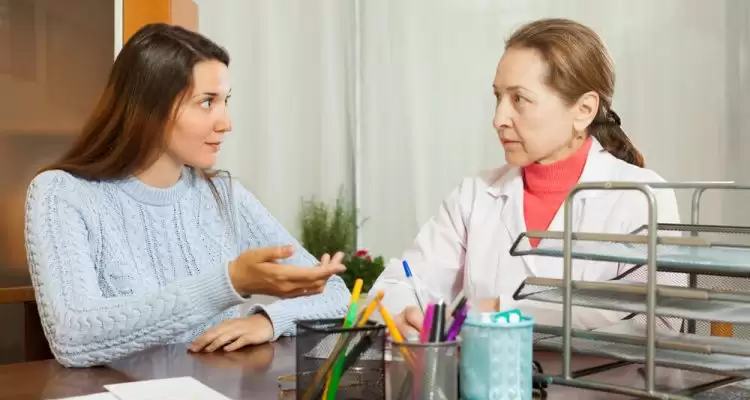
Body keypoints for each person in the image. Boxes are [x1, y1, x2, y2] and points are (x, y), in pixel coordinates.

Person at [24, 23, 350, 368]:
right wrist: (227, 283)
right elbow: (72, 337)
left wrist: (268, 322)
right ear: (150, 107)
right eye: (207, 102)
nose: (225, 123)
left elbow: (336, 295)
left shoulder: (224, 195)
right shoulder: (61, 194)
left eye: (225, 101)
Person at [369, 18, 684, 336]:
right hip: (479, 371)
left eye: (519, 99)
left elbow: (660, 321)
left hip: (599, 373)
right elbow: (399, 284)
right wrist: (403, 313)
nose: (498, 119)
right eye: (498, 97)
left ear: (584, 109)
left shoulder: (644, 197)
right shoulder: (474, 196)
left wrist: (503, 310)